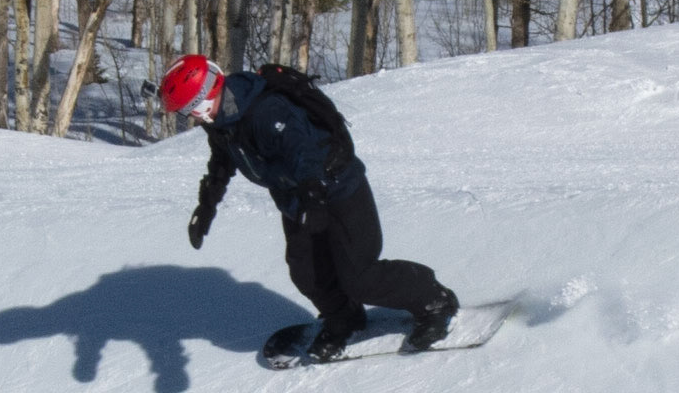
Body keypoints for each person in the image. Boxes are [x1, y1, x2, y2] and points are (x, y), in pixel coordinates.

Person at [155, 54, 458, 362]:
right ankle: (345, 319)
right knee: (308, 275)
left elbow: (304, 152)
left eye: (189, 109)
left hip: (338, 189)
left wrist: (314, 200)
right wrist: (206, 208)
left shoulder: (265, 110)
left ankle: (434, 300)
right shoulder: (221, 123)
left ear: (205, 97)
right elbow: (222, 163)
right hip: (295, 199)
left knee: (360, 275)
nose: (190, 117)